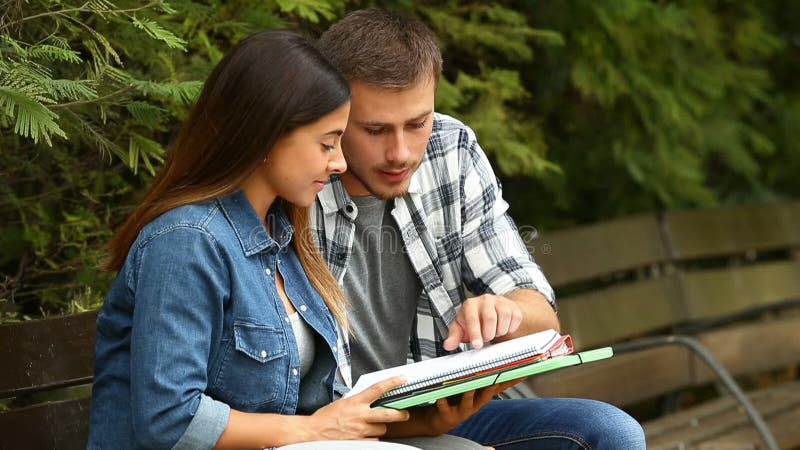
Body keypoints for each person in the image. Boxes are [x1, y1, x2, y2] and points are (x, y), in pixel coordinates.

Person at [87, 30, 454, 450]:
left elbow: (310, 415)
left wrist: (420, 421)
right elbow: (171, 419)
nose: (339, 162)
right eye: (327, 143)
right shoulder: (187, 242)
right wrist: (315, 431)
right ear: (266, 135)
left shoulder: (281, 236)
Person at [313, 9, 647, 450]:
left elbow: (540, 314)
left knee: (612, 434)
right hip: (335, 428)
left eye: (417, 123)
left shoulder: (449, 149)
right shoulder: (300, 177)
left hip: (450, 412)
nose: (400, 152)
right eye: (375, 130)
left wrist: (504, 314)